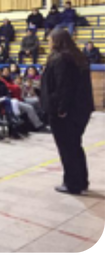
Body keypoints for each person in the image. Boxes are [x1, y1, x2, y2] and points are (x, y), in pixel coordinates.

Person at [41, 29, 94, 195]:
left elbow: (63, 87)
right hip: (80, 110)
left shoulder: (61, 59)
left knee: (67, 148)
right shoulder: (78, 57)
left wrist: (61, 109)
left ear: (56, 41)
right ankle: (81, 180)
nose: (48, 43)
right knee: (75, 145)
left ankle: (72, 183)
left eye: (50, 40)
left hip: (65, 112)